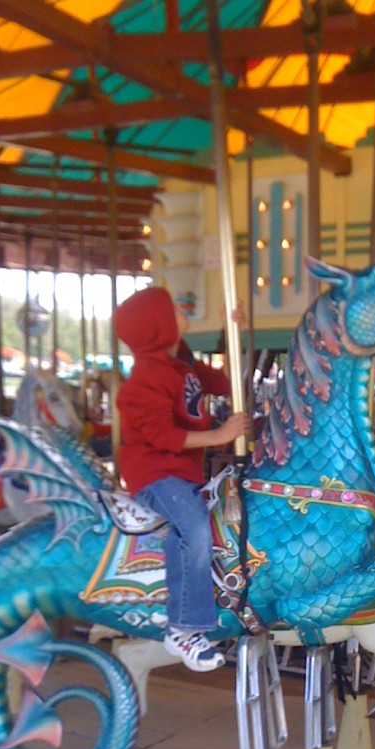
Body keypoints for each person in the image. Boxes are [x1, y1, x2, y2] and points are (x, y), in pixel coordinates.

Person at [114, 286, 250, 672]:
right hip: (155, 473)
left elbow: (224, 384)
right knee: (194, 528)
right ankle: (184, 628)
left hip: (182, 472)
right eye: (172, 307)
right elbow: (163, 436)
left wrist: (233, 333)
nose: (181, 307)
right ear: (159, 326)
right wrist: (220, 437)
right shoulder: (146, 378)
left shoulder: (181, 365)